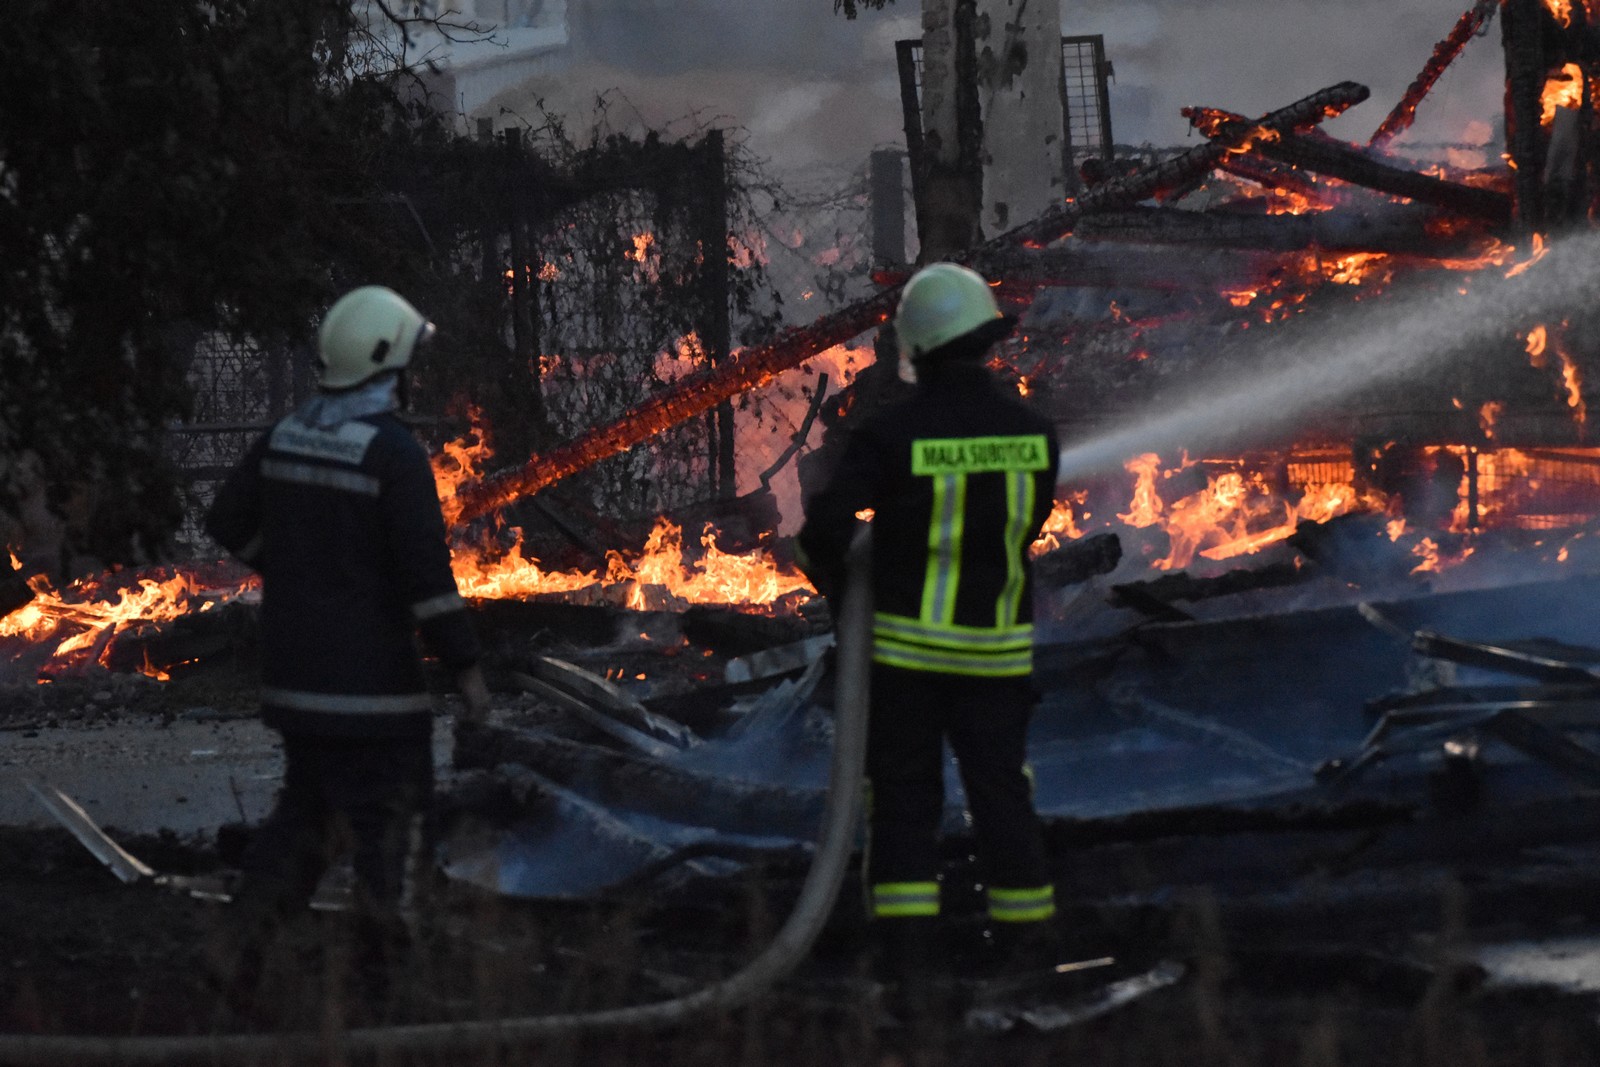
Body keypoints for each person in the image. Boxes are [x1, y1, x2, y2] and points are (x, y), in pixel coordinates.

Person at [203, 285, 490, 1011]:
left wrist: (294, 570)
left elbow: (226, 516)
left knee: (305, 816)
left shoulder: (287, 433)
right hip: (376, 696)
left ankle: (235, 945)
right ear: (387, 362)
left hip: (296, 686)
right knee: (392, 831)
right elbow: (425, 576)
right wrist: (467, 667)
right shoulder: (393, 455)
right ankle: (382, 994)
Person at [796, 263, 1061, 997]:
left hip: (906, 658)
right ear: (985, 341)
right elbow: (1025, 529)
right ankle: (1028, 953)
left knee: (906, 804)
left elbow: (823, 528)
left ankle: (910, 967)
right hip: (999, 657)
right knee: (1003, 794)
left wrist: (844, 582)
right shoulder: (1035, 435)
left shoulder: (890, 435)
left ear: (916, 347)